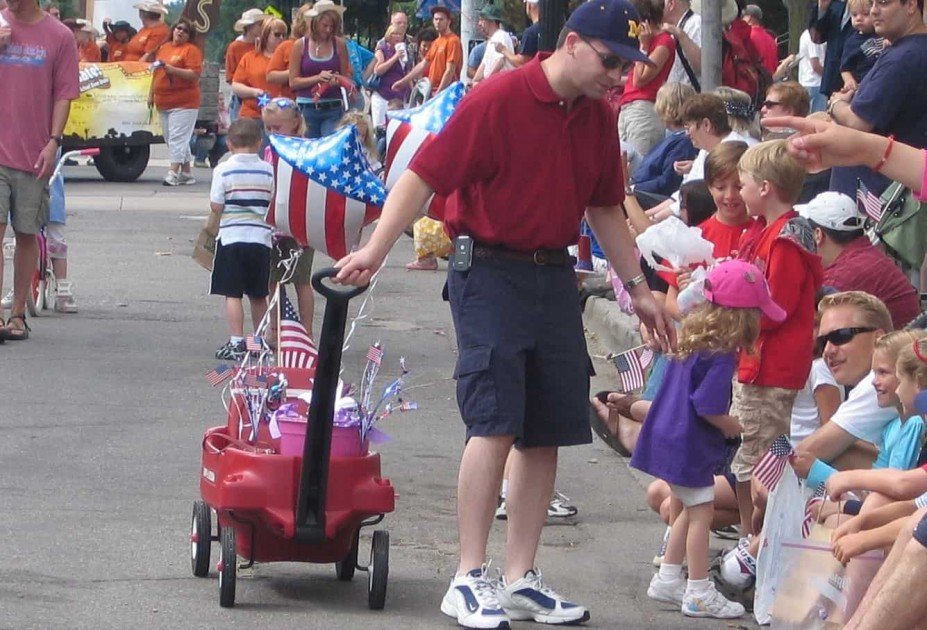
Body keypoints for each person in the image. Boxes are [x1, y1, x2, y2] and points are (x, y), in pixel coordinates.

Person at [333, 0, 674, 626]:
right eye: (609, 61)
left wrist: (639, 287)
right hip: (489, 268)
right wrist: (375, 250)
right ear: (572, 43)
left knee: (546, 426)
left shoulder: (597, 116)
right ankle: (468, 575)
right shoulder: (499, 98)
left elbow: (603, 206)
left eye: (627, 66)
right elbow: (424, 176)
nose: (618, 77)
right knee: (493, 419)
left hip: (553, 275)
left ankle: (520, 577)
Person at [635, 260, 783, 619]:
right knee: (701, 513)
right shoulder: (721, 355)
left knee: (689, 508)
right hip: (689, 444)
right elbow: (707, 406)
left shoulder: (692, 342)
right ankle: (699, 589)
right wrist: (732, 425)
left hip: (668, 438)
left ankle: (668, 577)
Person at [729, 140, 822, 540]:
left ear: (765, 187)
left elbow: (774, 307)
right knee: (754, 455)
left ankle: (756, 543)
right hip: (759, 361)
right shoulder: (768, 231)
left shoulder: (785, 239)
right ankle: (754, 539)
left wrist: (728, 315)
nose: (739, 192)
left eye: (743, 183)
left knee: (755, 462)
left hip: (769, 365)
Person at [0, 0, 79, 341]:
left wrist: (53, 141)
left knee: (26, 232)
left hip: (33, 153)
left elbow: (64, 94)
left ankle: (17, 313)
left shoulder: (59, 36)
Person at [825, 0, 927, 198]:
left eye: (883, 3)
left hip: (875, 196)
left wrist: (836, 103)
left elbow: (858, 122)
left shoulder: (902, 58)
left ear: (911, 5)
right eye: (871, 3)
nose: (873, 11)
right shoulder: (909, 50)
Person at [798, 191, 920, 329]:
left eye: (804, 231)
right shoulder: (862, 256)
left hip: (895, 340)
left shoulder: (841, 277)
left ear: (818, 235)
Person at [209, 118, 273, 361]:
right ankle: (257, 342)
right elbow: (274, 201)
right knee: (258, 294)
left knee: (232, 293)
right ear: (259, 143)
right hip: (260, 239)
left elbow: (216, 205)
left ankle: (236, 340)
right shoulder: (268, 170)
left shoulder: (223, 170)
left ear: (229, 143)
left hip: (231, 238)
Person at [259, 97, 315, 341]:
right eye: (268, 128)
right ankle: (275, 329)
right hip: (274, 227)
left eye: (277, 127)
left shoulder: (307, 150)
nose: (272, 133)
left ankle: (307, 332)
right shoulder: (269, 151)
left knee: (301, 281)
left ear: (294, 123)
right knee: (272, 282)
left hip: (301, 227)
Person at [618, 0, 676, 160]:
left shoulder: (664, 42)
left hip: (644, 109)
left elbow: (640, 80)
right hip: (628, 107)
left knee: (638, 162)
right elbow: (632, 80)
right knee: (621, 161)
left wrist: (643, 48)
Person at [289, 0, 353, 139]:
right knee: (309, 148)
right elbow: (293, 82)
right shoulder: (300, 45)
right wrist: (318, 78)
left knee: (330, 146)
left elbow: (346, 77)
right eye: (325, 25)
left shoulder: (339, 45)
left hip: (333, 107)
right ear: (314, 23)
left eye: (332, 26)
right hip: (306, 108)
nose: (328, 30)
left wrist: (338, 81)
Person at [150, 18, 202, 187]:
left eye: (185, 31)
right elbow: (156, 73)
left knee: (177, 138)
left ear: (189, 36)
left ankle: (172, 173)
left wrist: (173, 70)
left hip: (184, 102)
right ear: (173, 29)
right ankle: (186, 173)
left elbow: (194, 74)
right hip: (163, 101)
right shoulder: (164, 48)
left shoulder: (191, 50)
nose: (180, 32)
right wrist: (151, 94)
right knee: (170, 138)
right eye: (178, 28)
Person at [628, 82, 698, 199]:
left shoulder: (684, 142)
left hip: (650, 196)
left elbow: (668, 182)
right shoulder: (673, 138)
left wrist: (634, 188)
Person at [393, 5, 462, 96]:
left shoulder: (453, 41)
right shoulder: (436, 42)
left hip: (446, 92)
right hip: (431, 90)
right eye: (436, 19)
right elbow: (423, 64)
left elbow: (450, 71)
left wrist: (438, 93)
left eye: (441, 19)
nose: (438, 22)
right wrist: (403, 81)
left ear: (448, 21)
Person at [232, 18, 288, 120]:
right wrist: (254, 92)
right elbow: (236, 86)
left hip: (281, 116)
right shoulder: (249, 58)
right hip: (251, 115)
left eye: (284, 35)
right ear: (265, 35)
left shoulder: (290, 58)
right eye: (277, 34)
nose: (281, 38)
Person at [226, 8, 268, 122]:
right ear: (249, 26)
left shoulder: (265, 46)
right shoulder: (235, 47)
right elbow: (230, 76)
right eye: (260, 24)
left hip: (263, 94)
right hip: (240, 97)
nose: (263, 27)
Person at [810, 0, 854, 99]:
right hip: (833, 78)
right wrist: (822, 10)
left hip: (855, 78)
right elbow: (816, 37)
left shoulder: (869, 6)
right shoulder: (835, 6)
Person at [370, 24, 411, 129]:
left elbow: (407, 71)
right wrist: (395, 57)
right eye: (394, 34)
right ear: (388, 35)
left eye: (400, 34)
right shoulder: (382, 50)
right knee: (380, 129)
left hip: (399, 97)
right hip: (383, 96)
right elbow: (377, 70)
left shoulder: (405, 50)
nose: (397, 37)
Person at [839, 0, 885, 92]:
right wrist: (849, 80)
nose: (859, 18)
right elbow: (845, 68)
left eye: (865, 14)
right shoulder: (851, 42)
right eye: (854, 15)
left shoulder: (884, 33)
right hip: (864, 86)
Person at [661, 0, 702, 89]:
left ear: (671, 4)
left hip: (691, 95)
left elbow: (702, 65)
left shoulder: (695, 24)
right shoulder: (674, 27)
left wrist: (680, 35)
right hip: (676, 94)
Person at [472, 3, 515, 85]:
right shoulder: (492, 40)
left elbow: (500, 61)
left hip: (501, 86)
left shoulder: (501, 35)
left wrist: (485, 83)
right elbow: (484, 64)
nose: (479, 23)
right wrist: (474, 81)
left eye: (482, 20)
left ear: (491, 21)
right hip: (493, 85)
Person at [741, 4, 778, 74]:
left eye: (743, 17)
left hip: (757, 78)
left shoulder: (747, 36)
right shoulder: (771, 38)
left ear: (749, 18)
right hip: (772, 78)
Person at [797, 28, 826, 112]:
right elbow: (815, 65)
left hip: (806, 82)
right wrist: (830, 77)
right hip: (816, 84)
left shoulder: (805, 34)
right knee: (818, 117)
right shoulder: (814, 37)